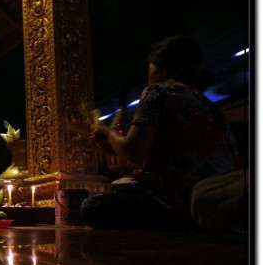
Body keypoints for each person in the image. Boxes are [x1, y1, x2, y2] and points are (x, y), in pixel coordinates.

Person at [81, 35, 239, 231]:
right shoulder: (207, 104)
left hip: (183, 203)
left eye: (150, 67)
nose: (149, 73)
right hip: (221, 204)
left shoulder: (157, 92)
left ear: (162, 68)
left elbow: (134, 152)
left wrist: (108, 134)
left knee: (92, 205)